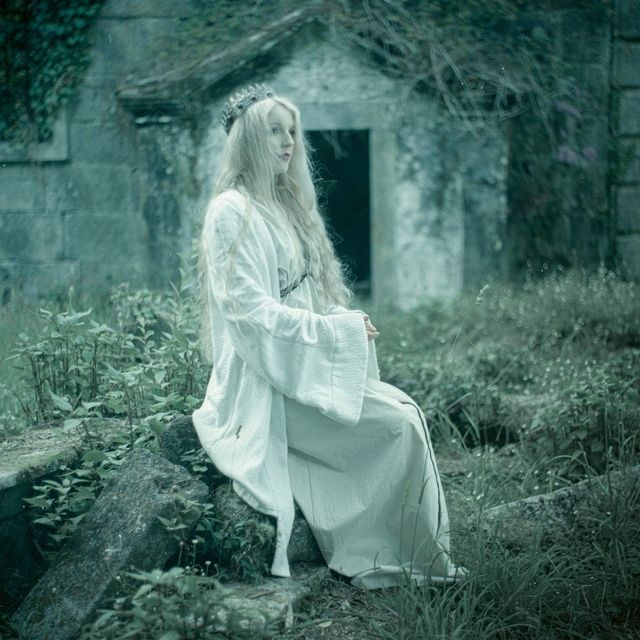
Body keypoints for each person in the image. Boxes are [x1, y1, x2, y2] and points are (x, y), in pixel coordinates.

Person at [192, 83, 464, 588]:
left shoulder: (283, 204)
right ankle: (388, 555)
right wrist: (333, 331)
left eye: (292, 131)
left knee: (406, 413)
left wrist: (344, 319)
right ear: (247, 139)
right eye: (274, 131)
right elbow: (252, 316)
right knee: (399, 426)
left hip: (300, 365)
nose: (288, 142)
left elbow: (306, 297)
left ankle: (416, 554)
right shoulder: (230, 212)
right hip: (265, 383)